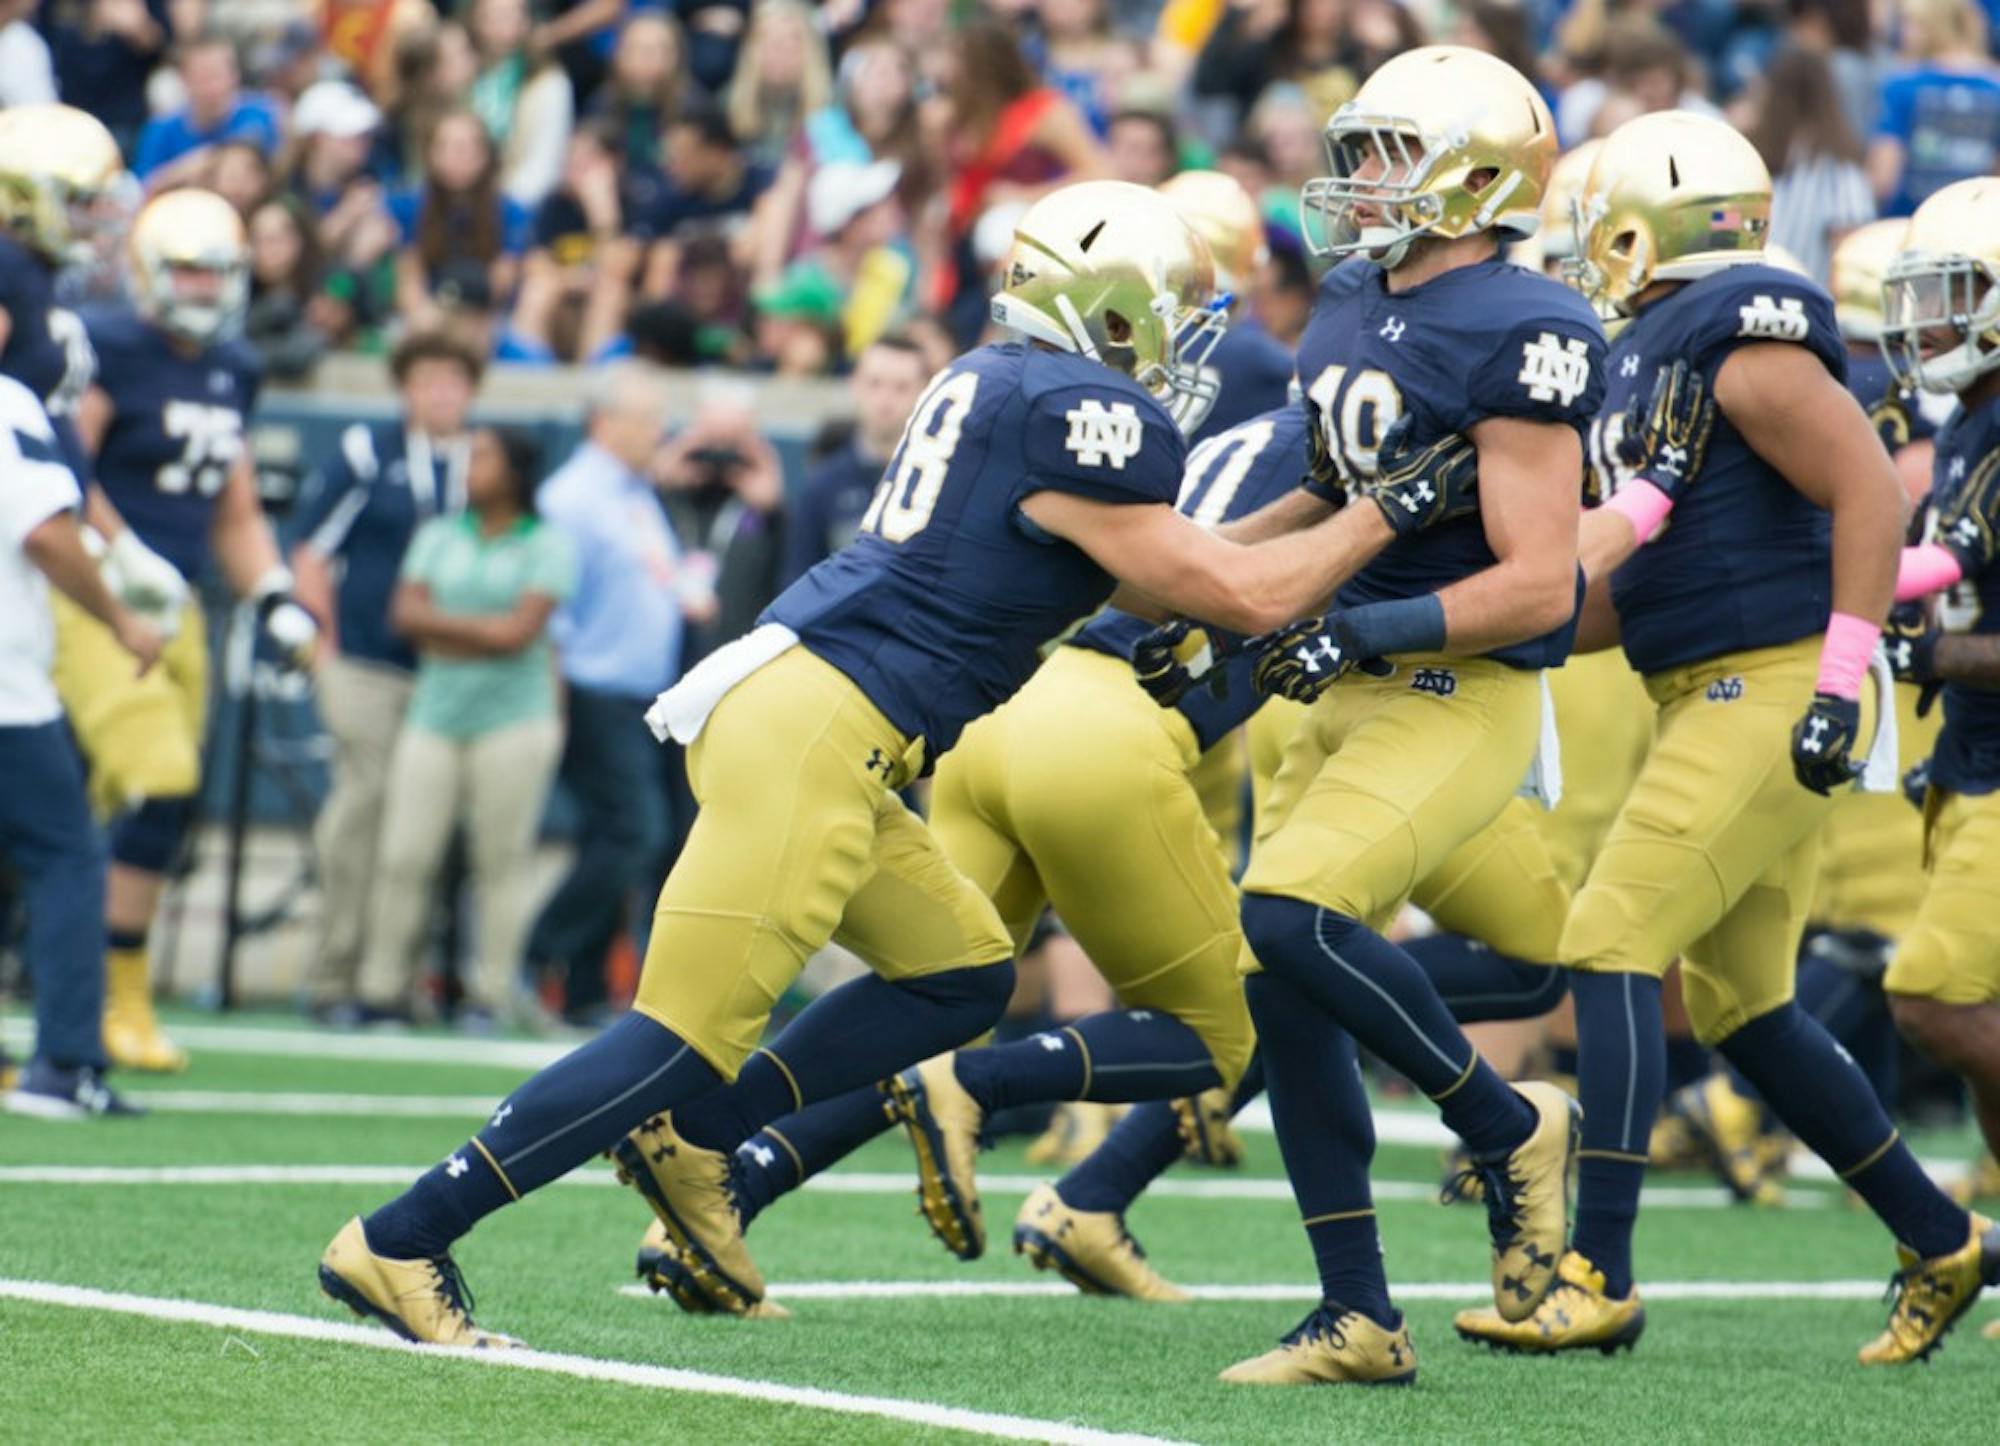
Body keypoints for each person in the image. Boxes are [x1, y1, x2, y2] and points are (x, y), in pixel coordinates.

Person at [315, 177, 1456, 1348]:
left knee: (960, 973)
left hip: (815, 714)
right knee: (677, 1037)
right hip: (821, 725)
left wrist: (1323, 500)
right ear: (1110, 311)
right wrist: (1390, 507)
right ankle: (403, 1238)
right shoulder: (1077, 411)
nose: (1181, 341)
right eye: (1167, 310)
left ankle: (701, 1138)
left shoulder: (999, 382)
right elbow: (1240, 594)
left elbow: (1166, 567)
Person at [1451, 111, 1990, 1368]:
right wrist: (1467, 632)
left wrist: (1834, 677)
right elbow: (1621, 594)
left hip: (1768, 688)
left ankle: (1599, 1270)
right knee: (1747, 1005)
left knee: (1608, 935)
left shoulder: (1733, 323)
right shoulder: (1650, 356)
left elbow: (1863, 487)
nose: (1580, 251)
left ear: (1649, 226)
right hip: (1707, 683)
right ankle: (1936, 1232)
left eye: (1598, 225)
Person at [1118, 47, 1600, 1387]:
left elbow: (1534, 580)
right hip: (1339, 684)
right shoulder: (1349, 292)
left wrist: (1363, 626)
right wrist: (1209, 581)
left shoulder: (1526, 323)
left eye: (1390, 152)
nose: (1358, 179)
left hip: (1454, 689)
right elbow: (1334, 489)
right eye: (1363, 149)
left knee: (1286, 918)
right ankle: (1359, 1314)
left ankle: (1510, 1126)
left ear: (1479, 176)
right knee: (1301, 974)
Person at [54, 188, 316, 1074]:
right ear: (147, 271)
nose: (204, 289)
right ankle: (84, 991)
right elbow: (66, 462)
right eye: (189, 270)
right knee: (142, 776)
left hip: (177, 600)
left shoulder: (235, 365)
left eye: (219, 271)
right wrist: (119, 554)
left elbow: (233, 505)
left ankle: (118, 995)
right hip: (90, 588)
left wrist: (274, 589)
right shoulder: (110, 345)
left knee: (171, 798)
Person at [1872, 180, 2000, 1332]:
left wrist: (1938, 653)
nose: (1921, 322)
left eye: (1950, 295)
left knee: (1930, 996)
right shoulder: (1968, 419)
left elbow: (1957, 632)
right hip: (1964, 764)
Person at [290, 331, 482, 1025]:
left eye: (453, 380)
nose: (440, 394)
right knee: (362, 807)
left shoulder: (481, 460)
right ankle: (333, 975)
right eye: (427, 379)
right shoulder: (368, 451)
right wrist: (324, 645)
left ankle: (391, 981)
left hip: (449, 676)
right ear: (405, 387)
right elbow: (311, 552)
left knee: (419, 831)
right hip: (367, 662)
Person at [357, 428, 575, 1032]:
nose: (468, 468)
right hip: (435, 715)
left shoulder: (549, 543)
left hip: (515, 719)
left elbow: (519, 634)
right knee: (404, 855)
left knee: (500, 861)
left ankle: (490, 994)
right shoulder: (438, 534)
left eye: (482, 456)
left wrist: (443, 626)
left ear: (515, 472)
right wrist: (485, 628)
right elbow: (404, 615)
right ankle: (382, 991)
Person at [0, 370, 159, 1118]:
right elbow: (41, 529)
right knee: (64, 855)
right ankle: (62, 1067)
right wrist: (121, 617)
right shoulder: (9, 401)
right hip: (6, 690)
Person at [525, 363, 683, 1026]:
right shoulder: (574, 497)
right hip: (593, 689)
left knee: (610, 833)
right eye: (646, 419)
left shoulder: (632, 491)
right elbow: (552, 608)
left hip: (640, 694)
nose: (658, 432)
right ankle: (537, 949)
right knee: (635, 831)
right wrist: (555, 701)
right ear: (603, 422)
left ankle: (586, 985)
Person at [778, 331, 929, 588]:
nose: (886, 400)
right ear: (854, 385)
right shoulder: (821, 485)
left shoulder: (944, 483)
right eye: (875, 383)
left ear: (926, 392)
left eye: (902, 387)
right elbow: (797, 585)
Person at [390, 110, 534, 337]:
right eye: (443, 147)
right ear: (429, 154)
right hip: (428, 315)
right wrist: (428, 314)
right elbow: (409, 277)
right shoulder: (407, 207)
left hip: (488, 317)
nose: (454, 157)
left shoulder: (511, 211)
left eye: (464, 148)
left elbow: (502, 280)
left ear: (485, 155)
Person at [1866, 0, 2000, 218]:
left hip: (1910, 225)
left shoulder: (1902, 85)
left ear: (1931, 25)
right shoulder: (1995, 87)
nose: (1903, 33)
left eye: (1909, 23)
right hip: (1974, 224)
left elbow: (1884, 176)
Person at [465, 0, 575, 208]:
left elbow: (544, 165)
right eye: (495, 13)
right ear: (475, 20)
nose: (506, 21)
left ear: (528, 21)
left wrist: (509, 206)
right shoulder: (461, 75)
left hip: (520, 205)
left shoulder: (549, 83)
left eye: (514, 12)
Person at [132, 36, 282, 184]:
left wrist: (209, 161)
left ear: (235, 75)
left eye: (217, 76)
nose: (212, 88)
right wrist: (181, 171)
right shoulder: (160, 129)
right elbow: (142, 188)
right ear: (184, 80)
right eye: (202, 78)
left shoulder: (260, 115)